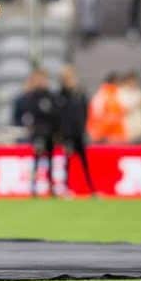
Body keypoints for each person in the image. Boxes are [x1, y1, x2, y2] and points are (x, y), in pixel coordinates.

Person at [57, 65, 95, 196]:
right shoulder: (61, 95)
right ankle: (66, 188)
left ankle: (91, 189)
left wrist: (84, 127)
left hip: (79, 133)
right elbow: (59, 116)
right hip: (68, 135)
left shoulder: (80, 94)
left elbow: (85, 112)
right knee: (67, 162)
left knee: (85, 162)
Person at [24, 68, 59, 197]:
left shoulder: (50, 96)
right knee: (37, 160)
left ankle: (51, 187)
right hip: (38, 133)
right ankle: (33, 188)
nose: (41, 82)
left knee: (50, 161)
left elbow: (55, 115)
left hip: (49, 133)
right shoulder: (32, 96)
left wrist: (56, 132)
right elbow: (28, 115)